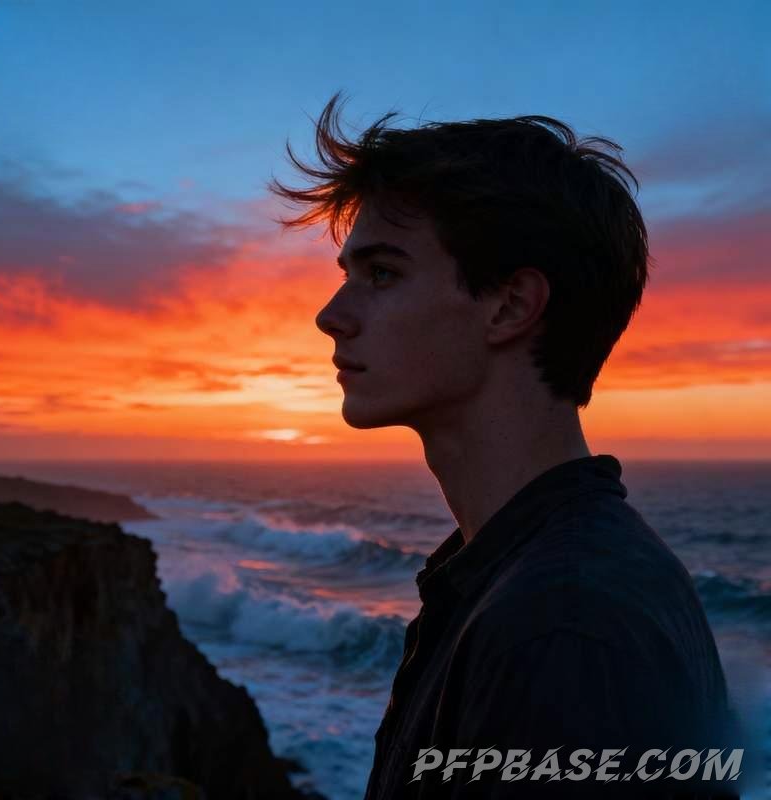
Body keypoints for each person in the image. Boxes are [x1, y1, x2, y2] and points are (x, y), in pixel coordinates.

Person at [267, 92, 746, 798]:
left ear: (511, 306)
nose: (330, 317)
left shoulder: (566, 627)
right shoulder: (517, 577)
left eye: (383, 273)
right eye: (348, 276)